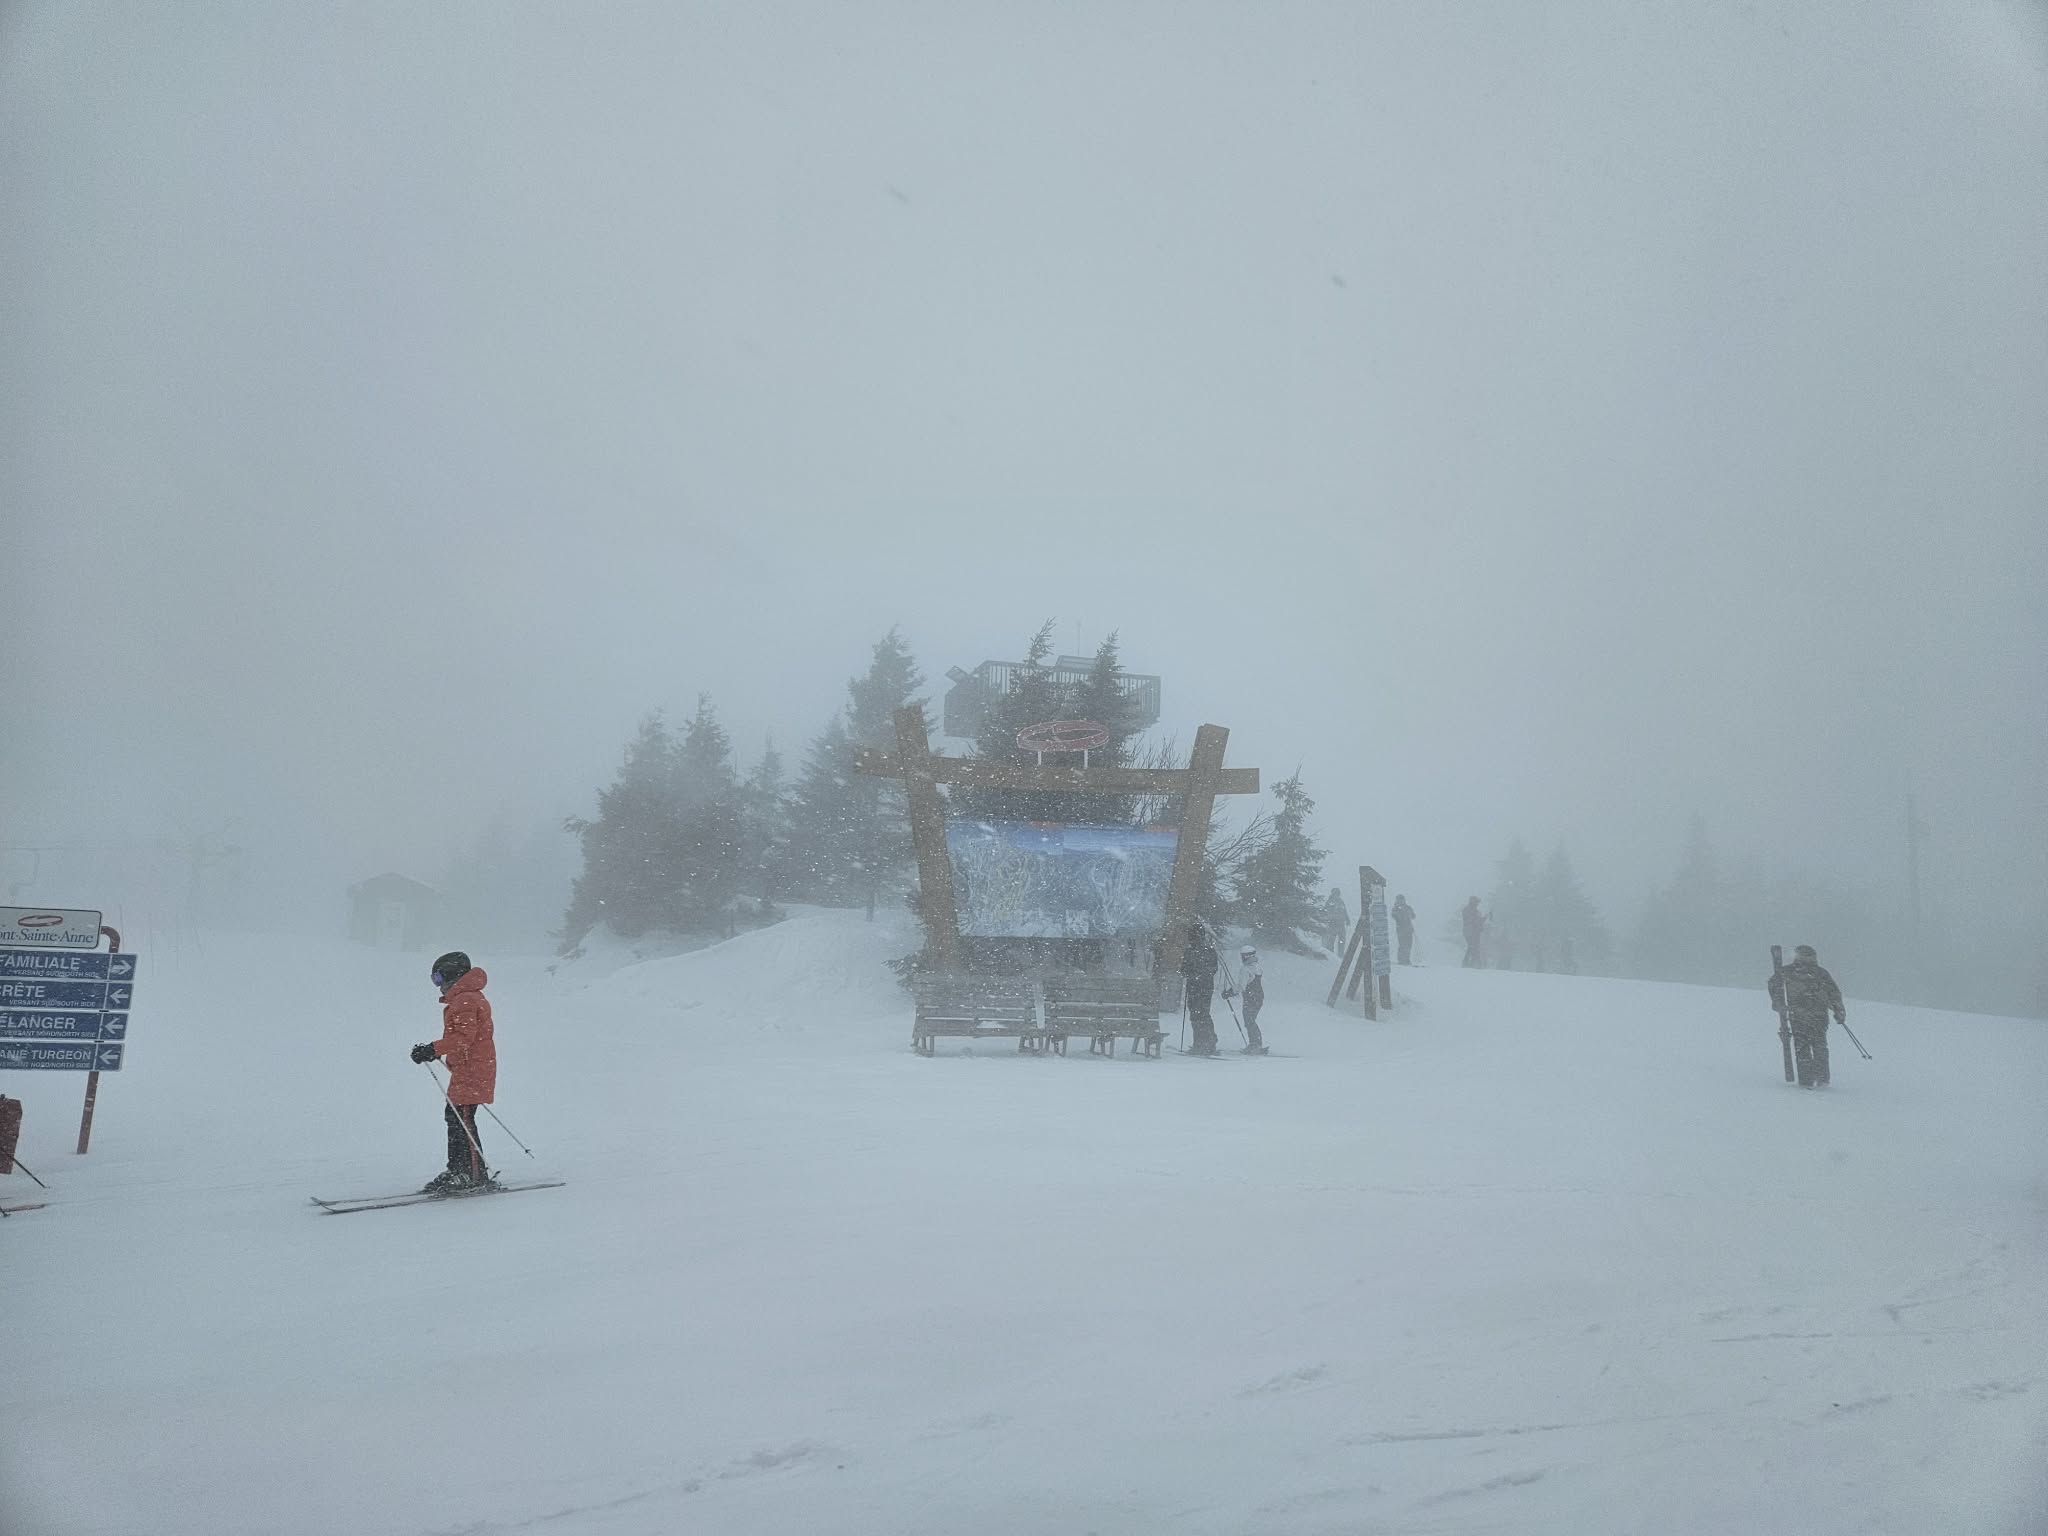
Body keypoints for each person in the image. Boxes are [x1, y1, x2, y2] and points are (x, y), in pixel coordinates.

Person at [411, 950, 498, 1191]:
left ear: (452, 974)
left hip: (473, 1069)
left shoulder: (466, 999)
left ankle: (473, 1174)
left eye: (438, 978)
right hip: (467, 1069)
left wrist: (432, 1049)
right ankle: (458, 1169)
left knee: (462, 1120)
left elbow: (463, 1038)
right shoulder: (464, 998)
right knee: (456, 1118)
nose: (437, 985)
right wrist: (437, 1051)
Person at [1767, 944, 1845, 1089]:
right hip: (1802, 1017)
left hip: (1813, 1017)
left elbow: (1833, 993)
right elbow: (1773, 985)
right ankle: (1811, 1080)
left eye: (1810, 957)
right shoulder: (1796, 972)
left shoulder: (1815, 973)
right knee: (1809, 1047)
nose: (1808, 960)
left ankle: (1817, 1080)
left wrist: (1838, 1010)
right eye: (1805, 956)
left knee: (1813, 1047)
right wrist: (1778, 1003)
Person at [1180, 922, 1221, 1055]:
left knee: (1196, 1016)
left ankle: (1200, 1044)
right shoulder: (1210, 951)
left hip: (1194, 987)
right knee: (1204, 1014)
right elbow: (1214, 969)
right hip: (1207, 987)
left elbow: (1184, 971)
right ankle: (1210, 1042)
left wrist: (1193, 974)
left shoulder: (1190, 952)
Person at [1233, 944, 1267, 1054]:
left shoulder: (1245, 969)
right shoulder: (1257, 967)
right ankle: (1256, 1043)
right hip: (1259, 997)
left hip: (1250, 998)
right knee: (1251, 1021)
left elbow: (1241, 986)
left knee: (1249, 1021)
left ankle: (1255, 1045)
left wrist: (1229, 992)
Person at [1321, 887, 1350, 954]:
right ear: (1333, 893)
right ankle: (1330, 953)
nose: (1337, 895)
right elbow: (1325, 910)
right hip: (1333, 923)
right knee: (1332, 939)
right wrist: (1325, 917)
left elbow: (1344, 911)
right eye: (1335, 893)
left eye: (1338, 893)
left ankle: (1340, 954)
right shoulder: (1329, 901)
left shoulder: (1341, 901)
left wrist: (1347, 919)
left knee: (1341, 940)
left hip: (1341, 924)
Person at [1461, 897, 1486, 968]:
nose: (1477, 904)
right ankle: (1471, 963)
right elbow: (1472, 921)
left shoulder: (1474, 911)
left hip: (1474, 932)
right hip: (1470, 932)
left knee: (1473, 947)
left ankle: (1471, 963)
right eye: (1477, 902)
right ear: (1473, 902)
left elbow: (1477, 921)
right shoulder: (1468, 910)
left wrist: (1483, 919)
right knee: (1473, 946)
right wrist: (1480, 920)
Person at [1392, 895, 1416, 965]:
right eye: (1399, 900)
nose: (1401, 901)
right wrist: (1400, 910)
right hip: (1401, 930)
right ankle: (1401, 960)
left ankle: (1407, 959)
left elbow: (1413, 916)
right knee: (1402, 945)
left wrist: (1409, 914)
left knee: (1409, 945)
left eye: (1402, 899)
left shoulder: (1408, 907)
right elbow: (1394, 916)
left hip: (1408, 929)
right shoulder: (1396, 909)